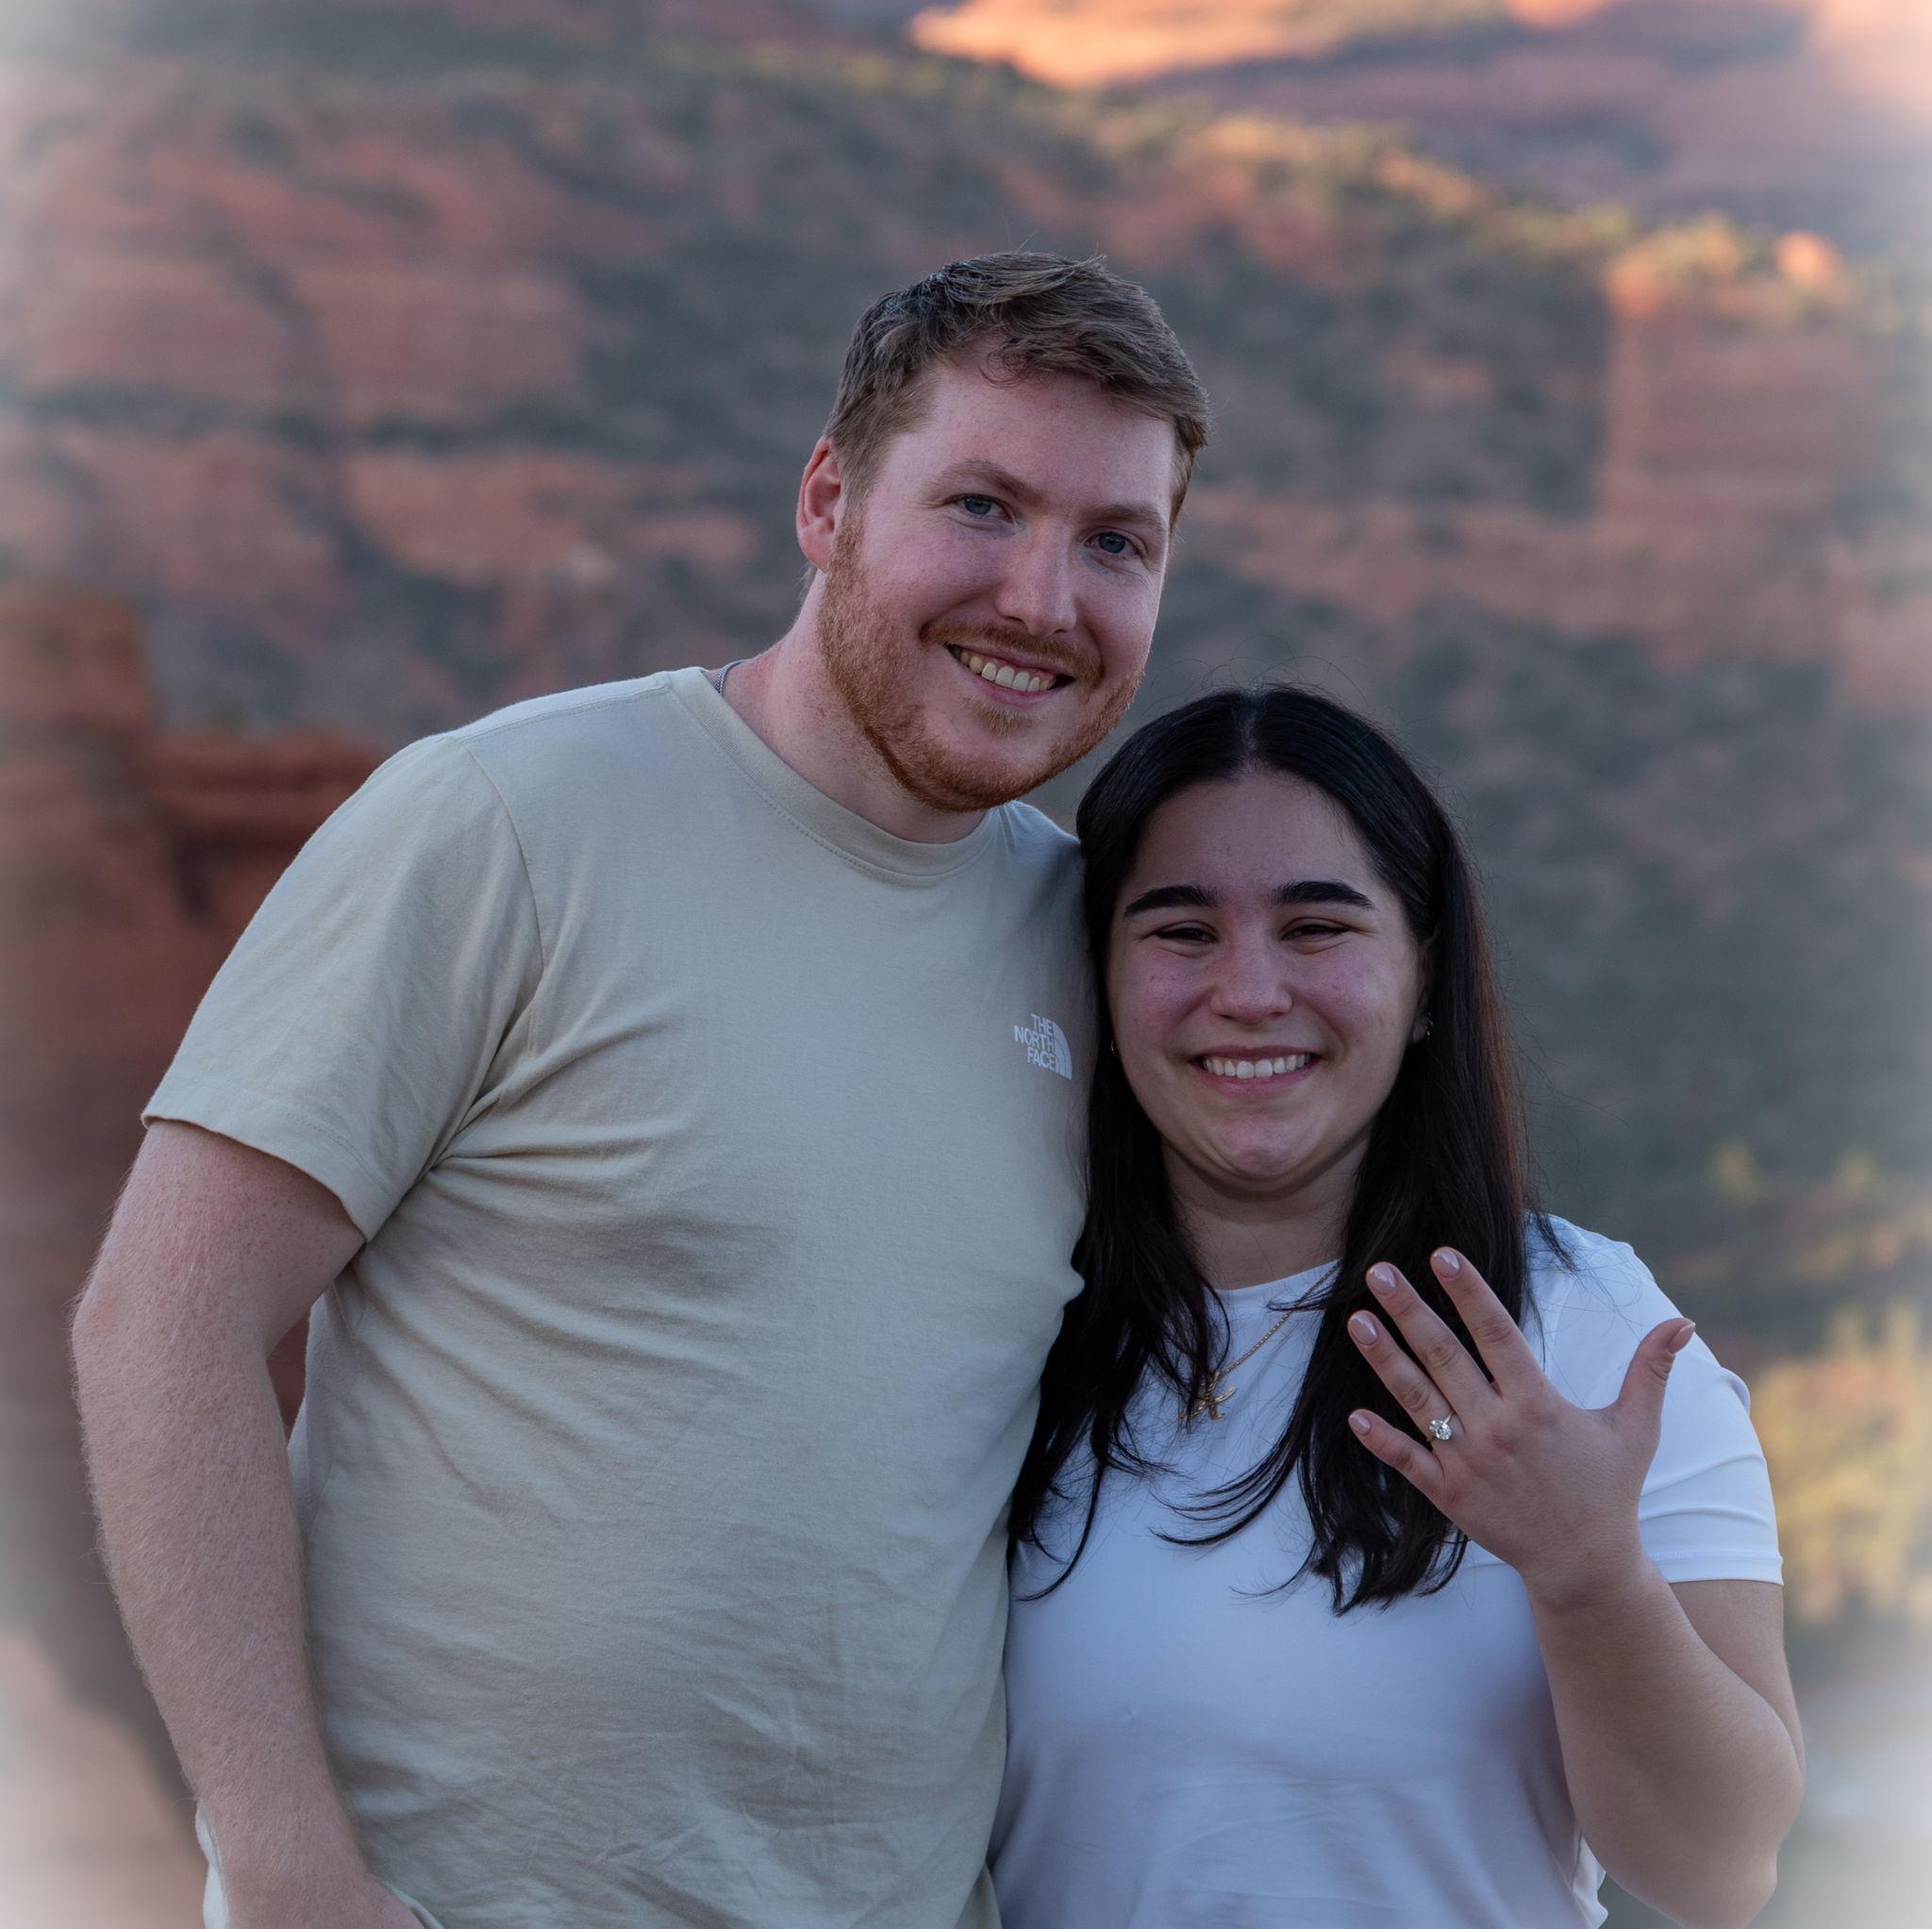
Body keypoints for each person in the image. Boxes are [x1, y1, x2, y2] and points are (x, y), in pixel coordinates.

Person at [70, 252, 1208, 1929]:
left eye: (1117, 541)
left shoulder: (1091, 944)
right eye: (982, 506)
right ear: (827, 500)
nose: (1043, 598)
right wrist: (287, 1865)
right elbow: (164, 1322)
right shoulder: (509, 822)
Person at [991, 686, 1804, 1928]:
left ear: (1426, 977)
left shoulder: (1580, 1332)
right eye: (1180, 930)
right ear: (1095, 974)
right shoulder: (1007, 1318)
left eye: (1318, 927)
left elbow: (1718, 1871)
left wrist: (1589, 1573)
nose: (1249, 990)